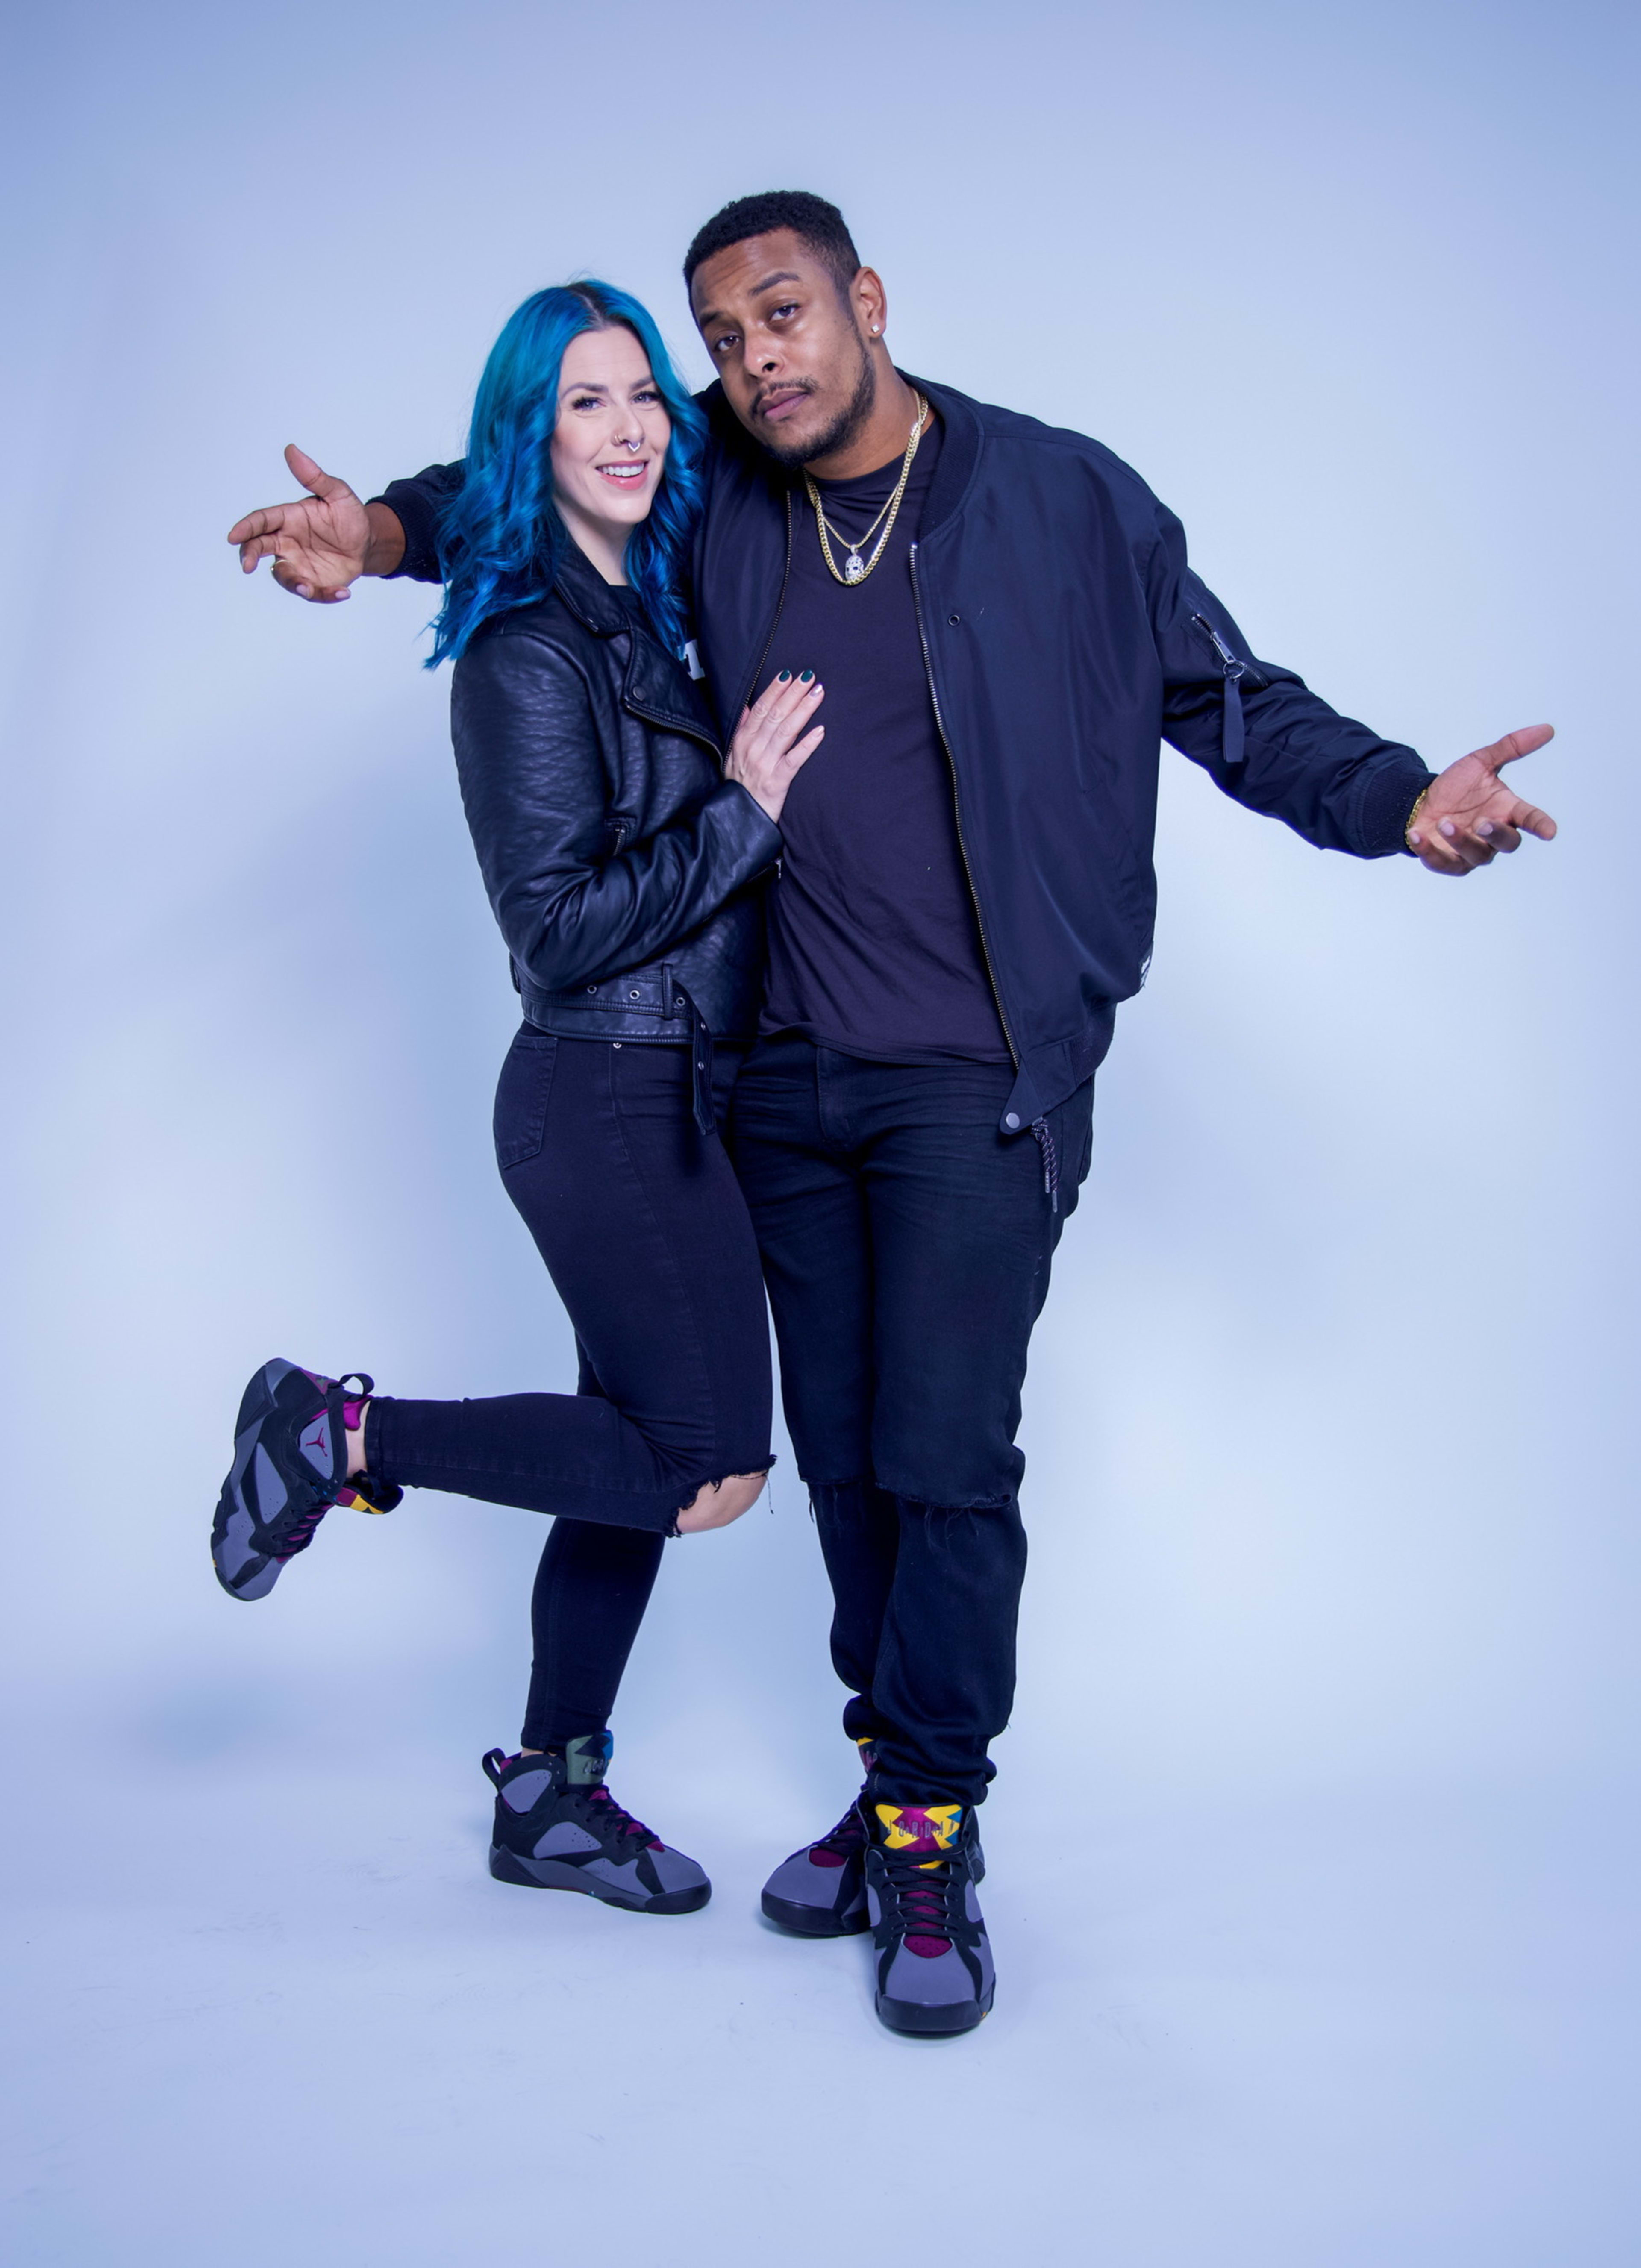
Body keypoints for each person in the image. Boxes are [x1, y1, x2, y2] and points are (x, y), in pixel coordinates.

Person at [226, 191, 1558, 2039]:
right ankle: (887, 1787)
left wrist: (1402, 797)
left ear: (863, 300)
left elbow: (1234, 702)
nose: (753, 357)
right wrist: (373, 531)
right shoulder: (715, 485)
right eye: (723, 335)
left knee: (948, 1459)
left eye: (782, 312)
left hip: (976, 1079)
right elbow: (539, 478)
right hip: (768, 1074)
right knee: (842, 1461)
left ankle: (933, 1832)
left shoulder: (1069, 502)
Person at [212, 279, 825, 1921]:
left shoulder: (648, 605)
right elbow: (551, 925)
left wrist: (399, 523)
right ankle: (336, 1432)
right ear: (529, 440)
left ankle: (552, 1793)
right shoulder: (525, 647)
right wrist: (744, 813)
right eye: (585, 406)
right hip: (604, 1088)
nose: (630, 429)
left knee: (620, 1450)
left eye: (642, 396)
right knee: (707, 1462)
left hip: (664, 1087)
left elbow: (710, 432)